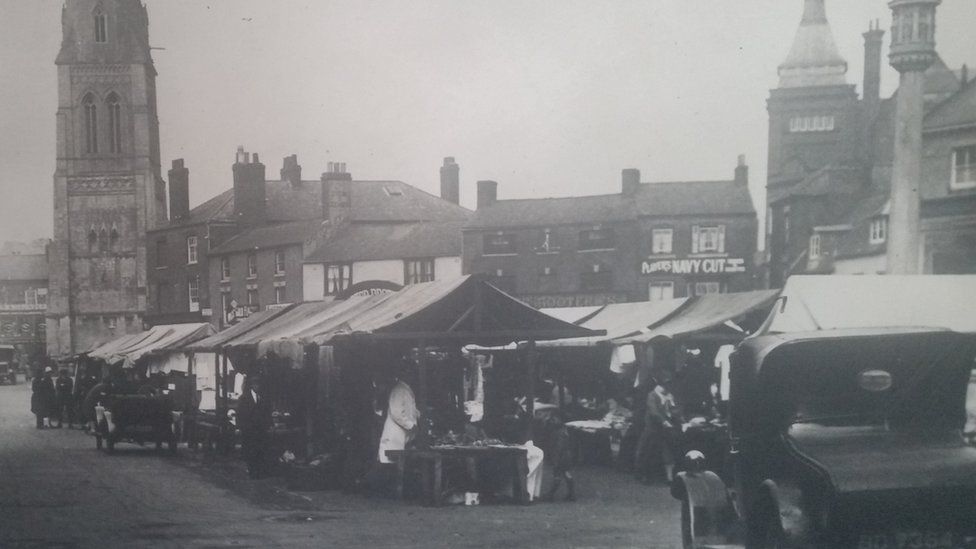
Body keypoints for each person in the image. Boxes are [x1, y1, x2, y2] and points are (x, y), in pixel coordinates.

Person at [634, 374, 681, 484]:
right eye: (665, 386)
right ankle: (642, 475)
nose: (667, 388)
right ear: (660, 386)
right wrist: (664, 421)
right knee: (646, 451)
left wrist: (672, 406)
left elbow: (674, 411)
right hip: (652, 428)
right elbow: (653, 411)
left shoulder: (669, 396)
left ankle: (669, 477)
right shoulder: (652, 395)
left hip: (665, 430)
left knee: (668, 452)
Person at [237, 375, 274, 479]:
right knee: (250, 450)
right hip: (249, 428)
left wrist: (270, 424)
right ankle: (252, 471)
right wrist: (240, 427)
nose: (257, 387)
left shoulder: (263, 398)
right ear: (251, 386)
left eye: (258, 385)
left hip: (261, 429)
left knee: (260, 450)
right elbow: (239, 413)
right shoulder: (244, 398)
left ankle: (259, 471)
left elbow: (267, 413)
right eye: (255, 384)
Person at [543, 410, 576, 502]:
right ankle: (571, 494)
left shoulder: (559, 432)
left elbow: (559, 446)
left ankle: (550, 495)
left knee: (557, 474)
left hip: (561, 455)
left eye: (554, 419)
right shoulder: (565, 429)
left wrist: (555, 459)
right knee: (566, 473)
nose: (553, 421)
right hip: (567, 454)